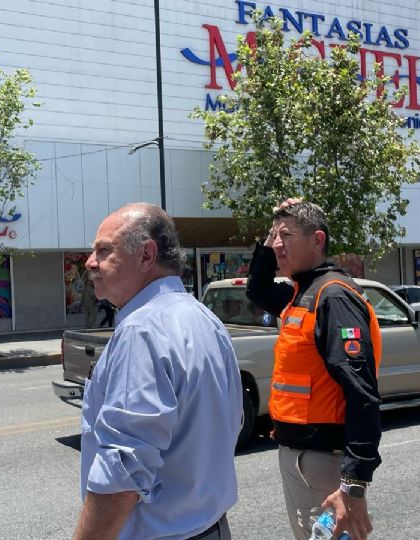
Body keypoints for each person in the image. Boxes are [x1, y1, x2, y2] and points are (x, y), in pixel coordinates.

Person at [72, 203, 242, 540]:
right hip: (211, 528)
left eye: (104, 250)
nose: (90, 262)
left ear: (147, 255)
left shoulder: (141, 331)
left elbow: (121, 475)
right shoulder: (204, 317)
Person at [246, 199, 382, 540]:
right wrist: (272, 230)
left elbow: (361, 393)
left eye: (286, 235)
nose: (277, 244)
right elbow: (257, 289)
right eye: (274, 236)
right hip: (302, 458)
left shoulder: (333, 296)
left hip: (323, 463)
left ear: (317, 240)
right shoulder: (302, 292)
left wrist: (353, 484)